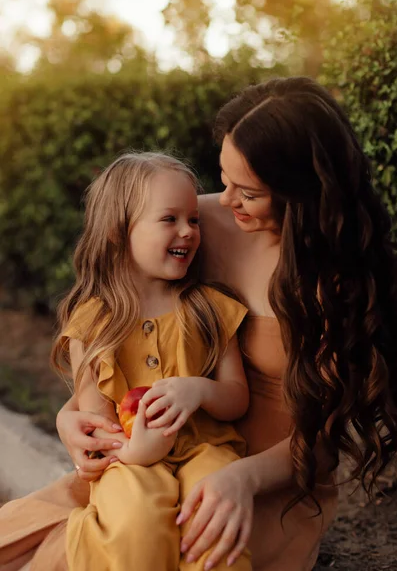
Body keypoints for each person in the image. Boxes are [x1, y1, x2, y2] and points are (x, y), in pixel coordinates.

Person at [1, 76, 397, 571]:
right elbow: (136, 336)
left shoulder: (339, 282)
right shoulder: (196, 224)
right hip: (152, 454)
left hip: (261, 478)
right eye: (223, 178)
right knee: (121, 534)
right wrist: (72, 416)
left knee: (203, 547)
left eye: (247, 191)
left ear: (302, 193)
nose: (224, 201)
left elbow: (318, 441)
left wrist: (242, 479)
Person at [52, 151, 251, 571]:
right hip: (126, 458)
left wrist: (200, 389)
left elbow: (237, 400)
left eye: (194, 219)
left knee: (212, 517)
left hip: (206, 449)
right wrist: (138, 451)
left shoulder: (209, 308)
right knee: (134, 521)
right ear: (118, 231)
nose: (188, 232)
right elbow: (97, 427)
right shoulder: (92, 324)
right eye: (169, 219)